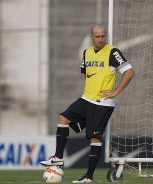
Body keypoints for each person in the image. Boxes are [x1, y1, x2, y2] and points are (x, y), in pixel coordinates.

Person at [40, 24, 135, 183]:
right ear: (92, 37)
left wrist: (116, 90)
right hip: (86, 99)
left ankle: (88, 178)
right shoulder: (87, 53)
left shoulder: (113, 52)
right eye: (97, 36)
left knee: (94, 139)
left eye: (103, 36)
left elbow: (130, 72)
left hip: (102, 103)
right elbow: (88, 75)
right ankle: (57, 157)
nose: (101, 39)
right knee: (63, 118)